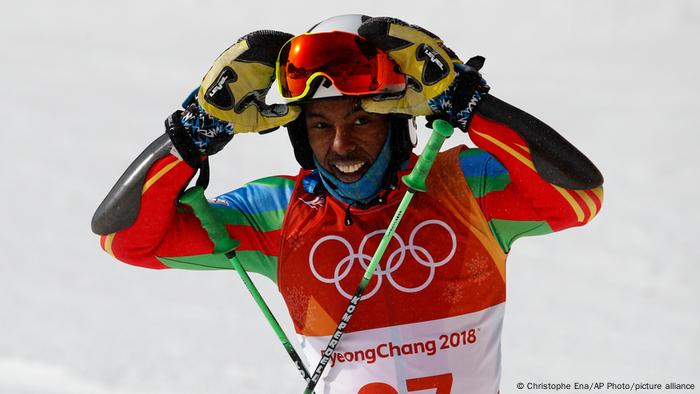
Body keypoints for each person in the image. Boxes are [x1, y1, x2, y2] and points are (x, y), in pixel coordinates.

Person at [92, 14, 604, 394]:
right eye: (320, 125)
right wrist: (192, 134)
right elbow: (123, 239)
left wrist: (467, 104)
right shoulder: (274, 214)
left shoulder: (467, 188)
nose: (340, 146)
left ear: (399, 123)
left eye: (361, 121)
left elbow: (578, 197)